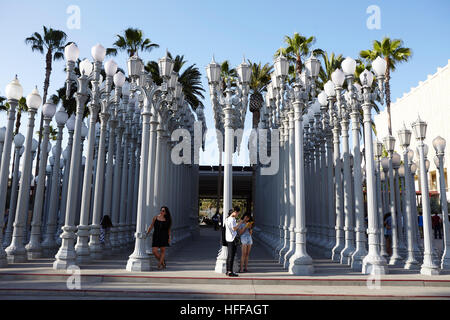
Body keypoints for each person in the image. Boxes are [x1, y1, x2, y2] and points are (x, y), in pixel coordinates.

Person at [225, 206, 245, 277]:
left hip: (228, 238)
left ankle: (228, 270)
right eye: (238, 213)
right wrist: (240, 223)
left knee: (229, 256)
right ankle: (230, 271)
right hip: (232, 239)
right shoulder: (232, 219)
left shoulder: (227, 219)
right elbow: (234, 228)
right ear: (235, 212)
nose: (237, 215)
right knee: (231, 256)